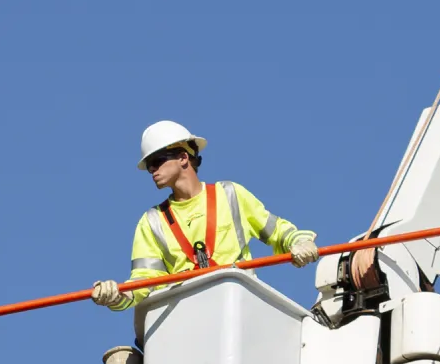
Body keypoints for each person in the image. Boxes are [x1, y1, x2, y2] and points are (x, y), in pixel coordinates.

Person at [91, 120, 317, 311]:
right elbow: (144, 282)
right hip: (187, 315)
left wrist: (300, 242)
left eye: (157, 162)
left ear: (182, 158)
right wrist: (117, 295)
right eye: (150, 166)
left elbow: (278, 231)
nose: (153, 171)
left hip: (238, 304)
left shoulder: (230, 195)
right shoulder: (152, 221)